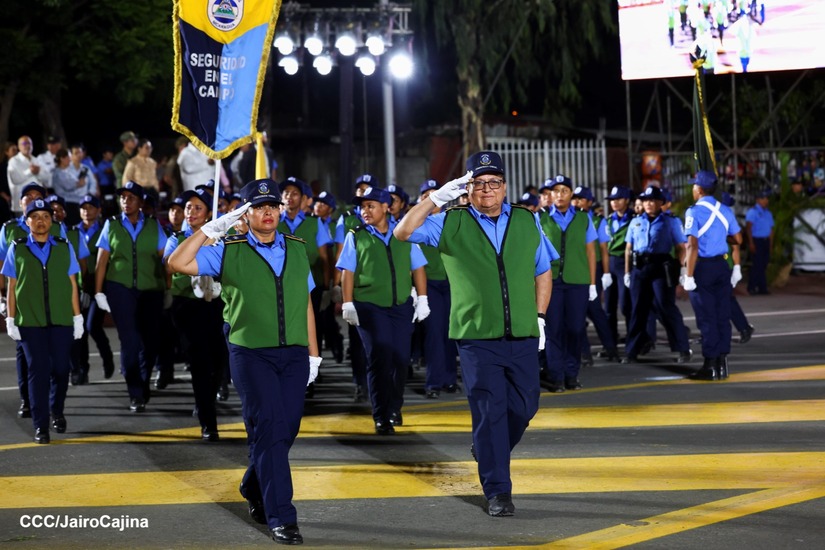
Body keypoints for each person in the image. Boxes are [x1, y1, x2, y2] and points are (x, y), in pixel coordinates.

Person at [394, 151, 554, 517]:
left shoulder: (527, 220)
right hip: (476, 336)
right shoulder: (450, 222)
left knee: (526, 406)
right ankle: (498, 491)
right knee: (489, 411)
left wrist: (540, 316)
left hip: (523, 332)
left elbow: (542, 270)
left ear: (504, 187)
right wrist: (436, 199)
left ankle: (486, 448)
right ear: (467, 189)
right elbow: (403, 232)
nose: (487, 190)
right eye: (478, 183)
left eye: (493, 182)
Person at [167, 178, 320, 545]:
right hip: (251, 353)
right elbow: (177, 262)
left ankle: (253, 485)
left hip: (294, 354)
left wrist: (314, 353)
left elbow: (305, 302)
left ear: (280, 211)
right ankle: (281, 516)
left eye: (272, 206)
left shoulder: (297, 248)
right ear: (245, 215)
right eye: (258, 207)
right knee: (270, 427)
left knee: (286, 430)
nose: (267, 212)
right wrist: (210, 229)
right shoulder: (227, 249)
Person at [336, 186, 429, 434]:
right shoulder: (356, 236)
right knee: (379, 357)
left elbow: (418, 267)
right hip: (369, 306)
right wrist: (347, 302)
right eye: (362, 207)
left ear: (386, 207)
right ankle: (381, 415)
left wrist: (422, 298)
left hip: (400, 306)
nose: (364, 211)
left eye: (370, 206)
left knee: (400, 359)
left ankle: (395, 407)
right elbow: (347, 272)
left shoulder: (404, 233)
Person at [3, 198, 83, 443]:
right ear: (26, 222)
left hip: (61, 319)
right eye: (35, 217)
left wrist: (77, 316)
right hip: (30, 322)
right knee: (38, 371)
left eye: (46, 217)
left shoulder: (64, 246)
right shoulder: (17, 248)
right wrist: (11, 318)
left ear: (52, 221)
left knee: (61, 369)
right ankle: (41, 425)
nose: (41, 221)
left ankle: (56, 410)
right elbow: (12, 286)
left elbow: (72, 283)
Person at [94, 181, 167, 411]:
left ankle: (143, 383)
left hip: (151, 289)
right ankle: (135, 392)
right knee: (130, 340)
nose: (126, 201)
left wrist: (168, 288)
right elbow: (101, 261)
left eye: (131, 197)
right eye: (123, 197)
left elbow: (166, 260)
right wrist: (98, 292)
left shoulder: (153, 225)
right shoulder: (112, 224)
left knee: (150, 342)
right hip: (120, 288)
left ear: (140, 202)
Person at [163, 188, 226, 441]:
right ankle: (208, 422)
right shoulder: (177, 238)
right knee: (200, 364)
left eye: (198, 208)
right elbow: (170, 265)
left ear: (209, 213)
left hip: (217, 306)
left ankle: (205, 401)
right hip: (187, 307)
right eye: (188, 207)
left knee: (219, 362)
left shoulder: (222, 237)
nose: (191, 212)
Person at [0, 182, 67, 418]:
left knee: (56, 361)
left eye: (38, 196)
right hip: (23, 303)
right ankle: (27, 400)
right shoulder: (9, 229)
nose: (32, 199)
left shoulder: (56, 228)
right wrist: (2, 298)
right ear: (20, 203)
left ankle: (51, 404)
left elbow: (66, 265)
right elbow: (2, 264)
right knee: (25, 354)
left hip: (52, 302)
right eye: (28, 196)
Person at [538, 175, 598, 392]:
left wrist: (592, 283)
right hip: (550, 281)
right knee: (553, 329)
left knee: (575, 328)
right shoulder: (540, 217)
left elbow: (591, 252)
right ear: (550, 194)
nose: (560, 195)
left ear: (571, 194)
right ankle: (556, 376)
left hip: (577, 280)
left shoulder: (584, 218)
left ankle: (572, 374)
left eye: (564, 190)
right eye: (556, 191)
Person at [682, 170, 742, 380]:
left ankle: (710, 365)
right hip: (722, 267)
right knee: (722, 315)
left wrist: (689, 275)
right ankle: (722, 364)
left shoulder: (693, 212)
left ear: (699, 189)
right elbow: (738, 239)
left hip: (703, 268)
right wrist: (720, 238)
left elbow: (692, 245)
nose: (692, 189)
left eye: (693, 185)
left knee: (706, 317)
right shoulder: (725, 210)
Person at [621, 186, 692, 364]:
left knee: (665, 307)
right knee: (638, 309)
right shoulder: (636, 221)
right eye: (645, 200)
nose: (648, 204)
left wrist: (683, 270)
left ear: (661, 202)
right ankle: (632, 351)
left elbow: (681, 247)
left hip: (661, 268)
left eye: (652, 200)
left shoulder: (670, 221)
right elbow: (628, 248)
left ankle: (682, 348)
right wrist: (627, 272)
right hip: (639, 269)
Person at [333, 174, 377, 401]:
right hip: (358, 291)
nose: (362, 193)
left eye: (367, 189)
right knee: (359, 342)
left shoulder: (390, 220)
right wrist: (338, 287)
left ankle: (379, 384)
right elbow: (341, 254)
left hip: (383, 292)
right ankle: (360, 383)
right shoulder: (347, 220)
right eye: (360, 190)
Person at [417, 179, 459, 398]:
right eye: (426, 195)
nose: (430, 199)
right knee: (434, 333)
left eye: (435, 194)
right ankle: (433, 382)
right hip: (430, 284)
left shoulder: (452, 220)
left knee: (451, 332)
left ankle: (449, 379)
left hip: (453, 284)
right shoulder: (416, 223)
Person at [573, 186, 619, 364]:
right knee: (578, 312)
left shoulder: (598, 221)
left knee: (595, 311)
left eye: (581, 199)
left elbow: (603, 249)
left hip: (594, 269)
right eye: (575, 198)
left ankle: (610, 348)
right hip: (576, 268)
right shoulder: (573, 218)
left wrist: (606, 273)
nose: (577, 202)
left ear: (590, 202)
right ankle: (584, 352)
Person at [73, 194, 115, 382]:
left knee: (93, 325)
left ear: (99, 210)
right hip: (79, 285)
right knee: (80, 328)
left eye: (91, 207)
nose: (86, 211)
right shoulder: (73, 231)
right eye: (83, 207)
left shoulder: (105, 230)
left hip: (99, 284)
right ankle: (82, 369)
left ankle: (107, 359)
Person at [603, 186, 635, 346]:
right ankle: (611, 342)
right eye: (612, 200)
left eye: (618, 199)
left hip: (625, 262)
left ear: (627, 200)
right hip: (610, 262)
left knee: (625, 305)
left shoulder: (634, 219)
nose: (614, 203)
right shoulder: (608, 220)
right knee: (609, 305)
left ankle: (632, 339)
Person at [745, 189, 773, 295]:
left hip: (765, 241)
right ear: (758, 200)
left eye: (766, 198)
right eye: (763, 198)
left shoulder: (768, 213)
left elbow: (771, 229)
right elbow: (748, 228)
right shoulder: (753, 212)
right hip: (757, 240)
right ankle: (751, 287)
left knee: (764, 264)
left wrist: (770, 244)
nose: (766, 201)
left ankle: (762, 287)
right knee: (757, 265)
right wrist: (751, 243)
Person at [6, 137, 47, 211]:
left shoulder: (36, 160)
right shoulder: (13, 161)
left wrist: (38, 172)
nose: (27, 145)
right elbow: (15, 179)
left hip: (38, 204)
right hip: (21, 207)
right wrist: (30, 171)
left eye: (29, 143)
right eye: (24, 143)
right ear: (18, 146)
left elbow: (46, 179)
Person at [50, 148, 89, 226]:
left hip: (74, 202)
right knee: (72, 225)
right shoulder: (58, 172)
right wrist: (78, 184)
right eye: (68, 157)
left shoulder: (67, 172)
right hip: (67, 204)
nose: (70, 160)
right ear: (62, 159)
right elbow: (68, 186)